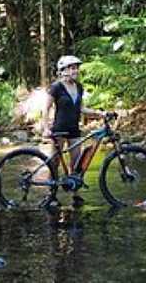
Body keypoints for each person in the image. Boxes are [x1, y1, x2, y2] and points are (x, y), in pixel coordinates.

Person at [43, 55, 103, 205]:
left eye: (76, 67)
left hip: (74, 129)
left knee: (76, 164)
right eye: (72, 68)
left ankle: (75, 194)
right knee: (55, 163)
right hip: (59, 129)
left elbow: (81, 108)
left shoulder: (79, 87)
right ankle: (52, 194)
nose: (75, 70)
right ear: (63, 70)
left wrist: (100, 113)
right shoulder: (56, 87)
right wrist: (45, 127)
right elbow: (46, 108)